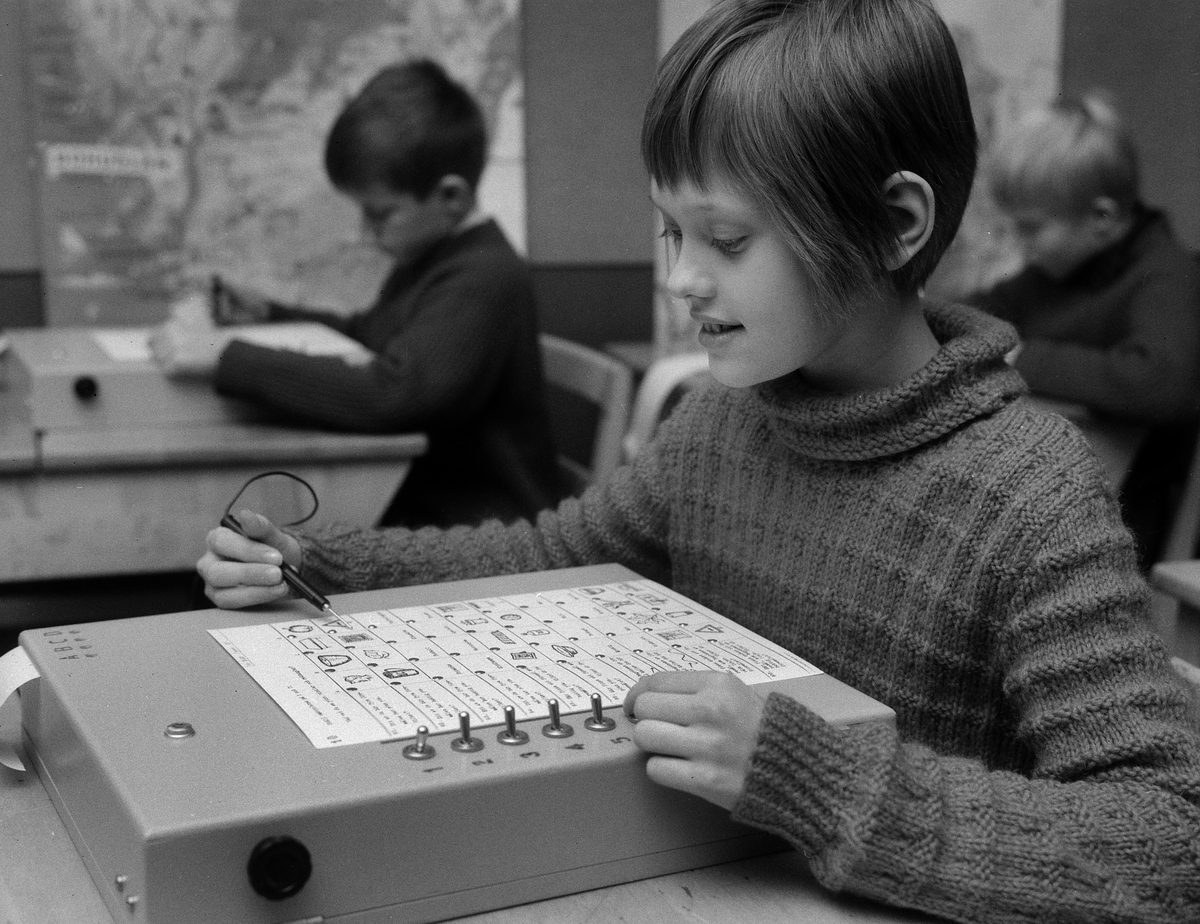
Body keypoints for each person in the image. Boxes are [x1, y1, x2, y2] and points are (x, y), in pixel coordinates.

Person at [195, 3, 1200, 922]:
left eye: (726, 237)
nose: (681, 278)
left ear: (897, 224)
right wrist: (330, 568)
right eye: (671, 230)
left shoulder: (1029, 494)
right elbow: (563, 548)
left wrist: (825, 779)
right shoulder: (723, 419)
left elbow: (1169, 840)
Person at [150, 59, 564, 529]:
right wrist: (268, 314)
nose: (366, 233)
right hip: (438, 511)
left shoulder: (485, 277)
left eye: (380, 214)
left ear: (451, 197)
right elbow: (370, 336)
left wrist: (224, 353)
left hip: (490, 528)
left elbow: (396, 393)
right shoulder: (433, 261)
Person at [967, 93, 1200, 567]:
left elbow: (1159, 379)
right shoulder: (1058, 270)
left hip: (1128, 521)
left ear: (1102, 219)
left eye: (1031, 229)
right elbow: (978, 314)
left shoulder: (1168, 274)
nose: (1018, 246)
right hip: (1057, 498)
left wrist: (1018, 356)